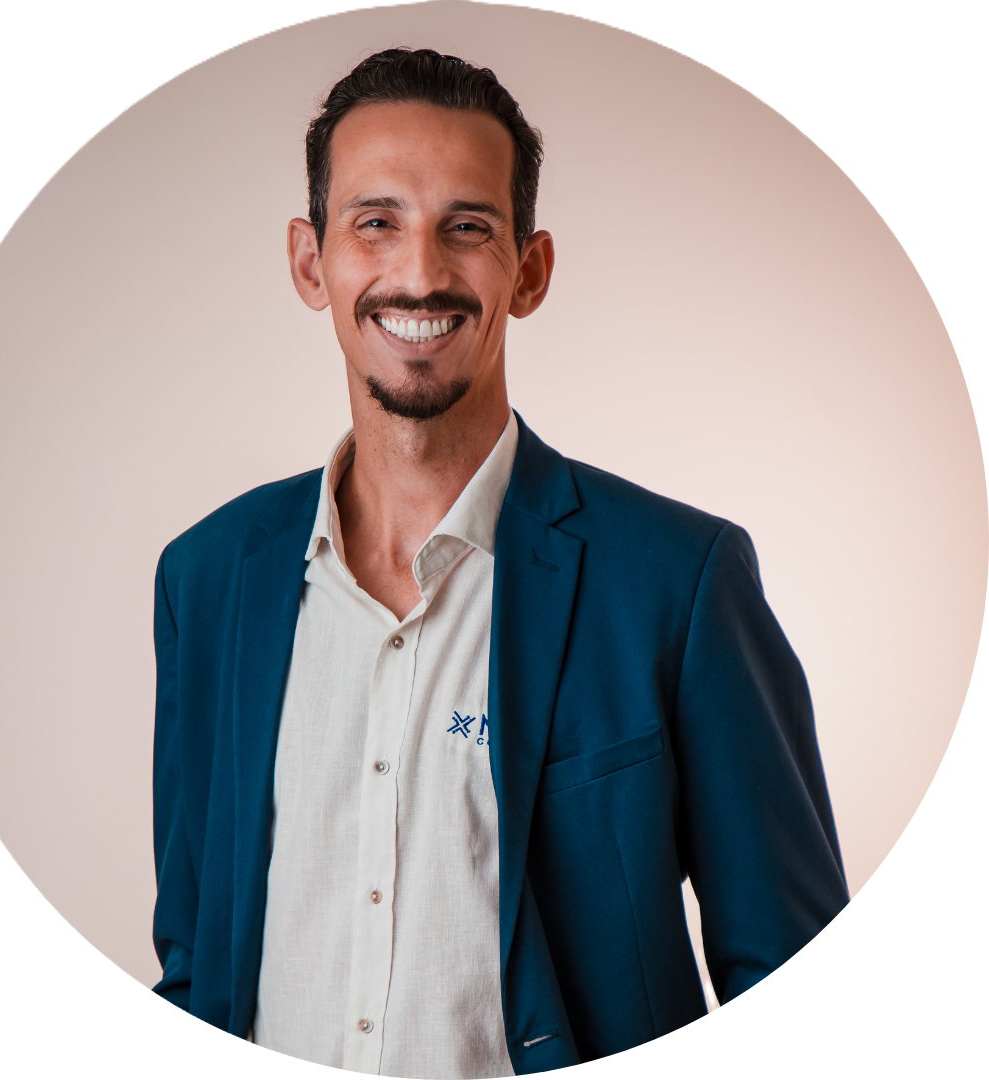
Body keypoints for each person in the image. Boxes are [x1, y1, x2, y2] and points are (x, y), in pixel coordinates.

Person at [151, 48, 848, 1078]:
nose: (420, 273)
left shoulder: (678, 582)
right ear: (310, 262)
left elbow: (797, 985)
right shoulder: (208, 580)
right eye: (375, 222)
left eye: (467, 227)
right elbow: (194, 966)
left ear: (530, 271)